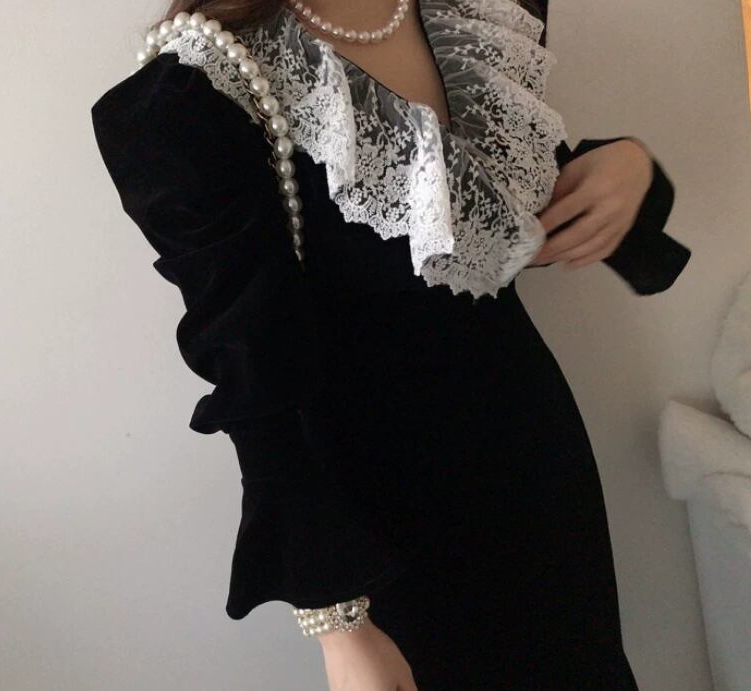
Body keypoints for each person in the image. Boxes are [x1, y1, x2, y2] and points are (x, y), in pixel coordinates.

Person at [90, 0, 691, 688]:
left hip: (534, 459)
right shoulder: (195, 91)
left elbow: (498, 220)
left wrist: (626, 166)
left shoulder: (479, 14)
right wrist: (335, 619)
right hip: (386, 515)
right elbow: (256, 382)